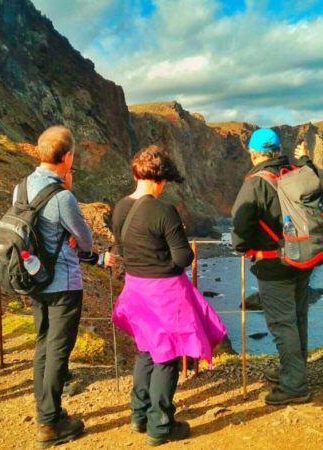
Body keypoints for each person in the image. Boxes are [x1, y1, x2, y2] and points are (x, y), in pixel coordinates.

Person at [108, 145, 226, 447]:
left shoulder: (120, 207)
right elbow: (184, 258)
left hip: (135, 288)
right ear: (161, 179)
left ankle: (139, 414)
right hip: (163, 292)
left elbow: (121, 249)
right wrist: (175, 238)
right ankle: (160, 424)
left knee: (146, 350)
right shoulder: (163, 211)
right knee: (168, 355)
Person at [15, 126, 98, 448]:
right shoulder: (62, 196)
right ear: (68, 157)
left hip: (34, 278)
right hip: (62, 281)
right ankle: (50, 422)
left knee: (43, 345)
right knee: (58, 349)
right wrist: (77, 240)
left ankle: (45, 411)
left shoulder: (20, 188)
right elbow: (87, 241)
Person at [231, 129, 317, 405]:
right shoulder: (294, 171)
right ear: (278, 149)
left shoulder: (256, 182)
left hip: (273, 261)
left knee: (282, 324)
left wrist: (240, 246)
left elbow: (241, 220)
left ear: (254, 152)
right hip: (304, 256)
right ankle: (295, 371)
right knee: (298, 318)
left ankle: (294, 385)